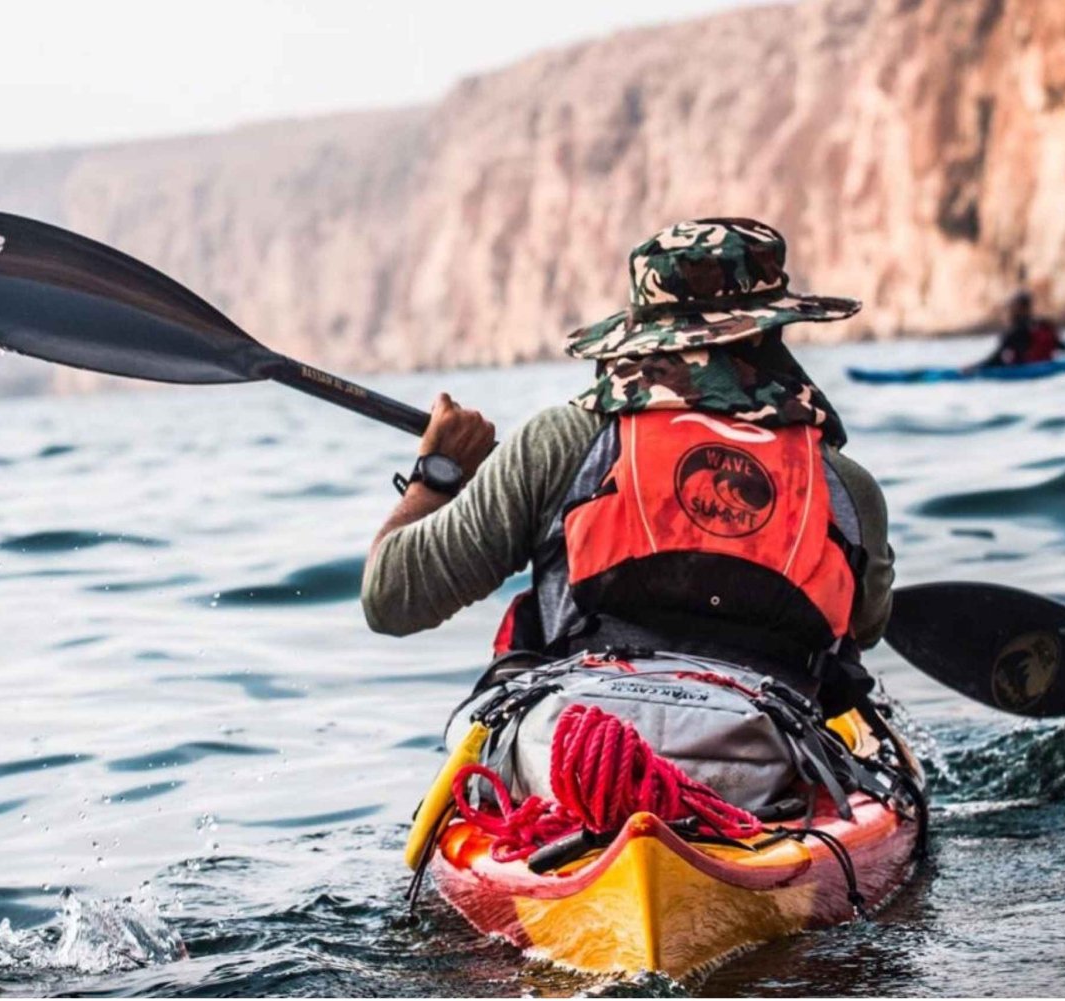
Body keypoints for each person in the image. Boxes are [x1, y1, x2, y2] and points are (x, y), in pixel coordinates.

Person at [361, 218, 894, 712]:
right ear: (771, 331)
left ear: (640, 336)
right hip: (770, 761)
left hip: (580, 751)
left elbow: (390, 599)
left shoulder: (557, 445)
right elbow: (864, 629)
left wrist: (438, 473)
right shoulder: (848, 487)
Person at [977, 289, 1065, 367]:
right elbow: (1064, 347)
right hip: (1047, 366)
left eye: (1010, 308)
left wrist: (974, 368)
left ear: (1017, 309)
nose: (1008, 312)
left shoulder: (1014, 332)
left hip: (1024, 369)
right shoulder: (1044, 324)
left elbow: (996, 359)